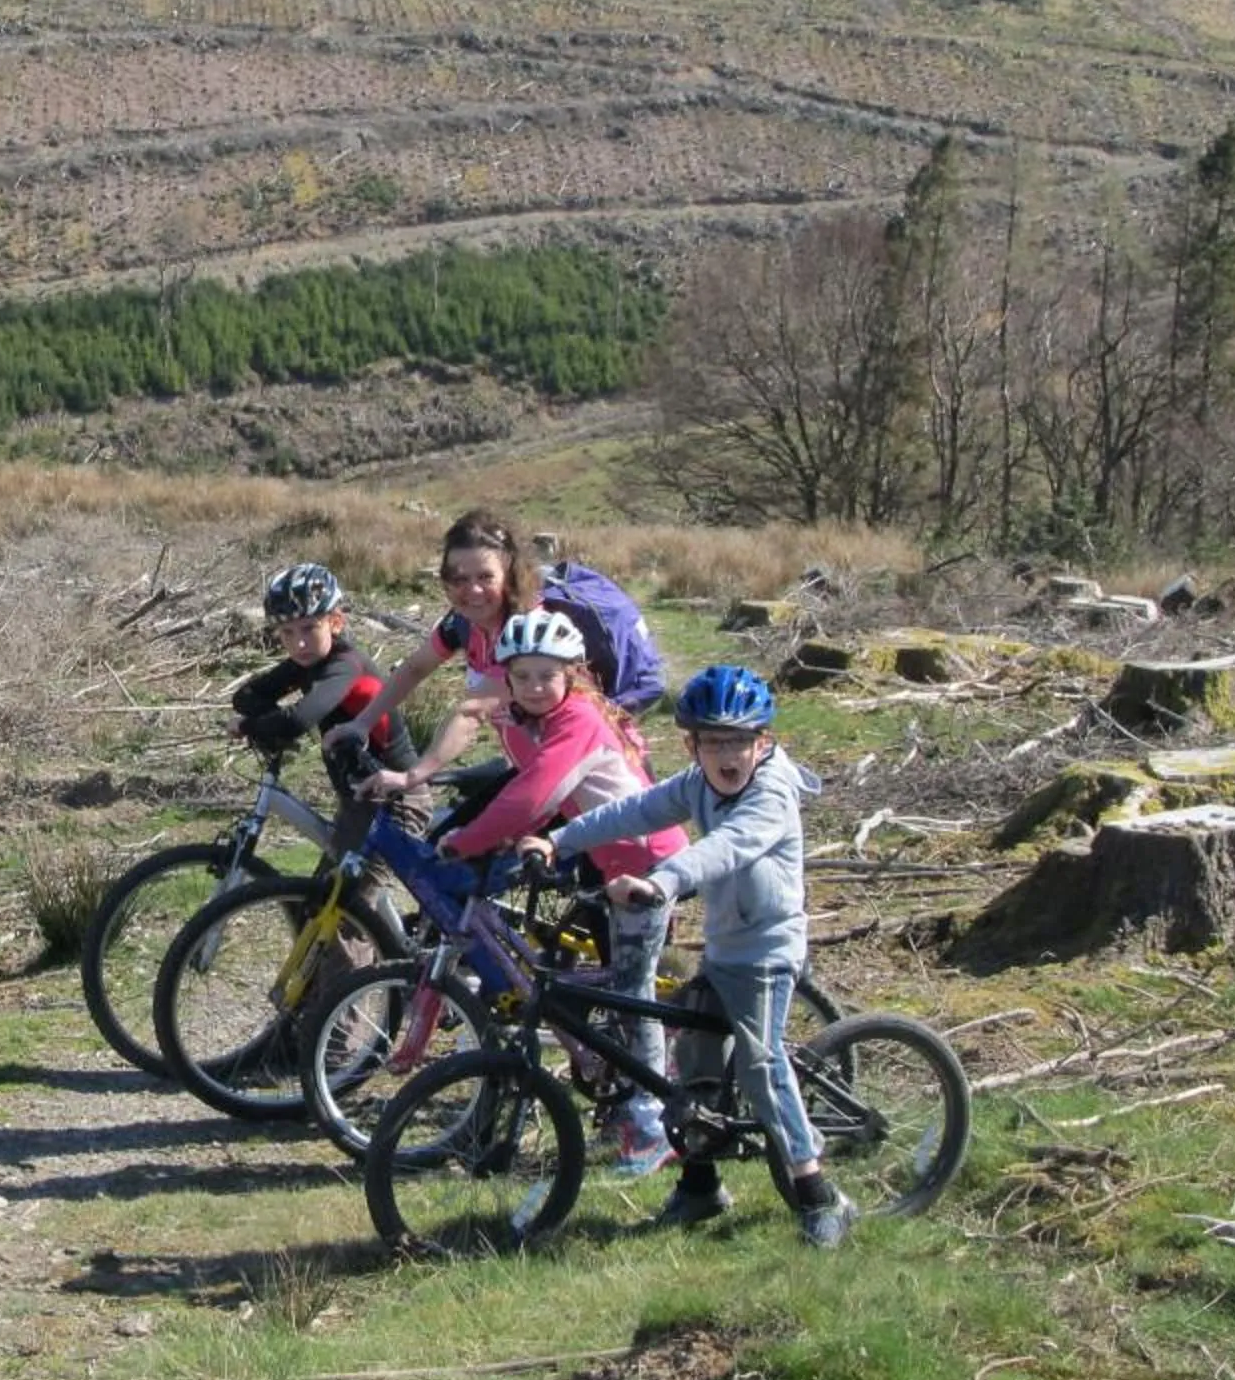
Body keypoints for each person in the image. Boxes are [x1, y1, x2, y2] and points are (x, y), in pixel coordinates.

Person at [523, 665, 857, 1247]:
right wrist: (559, 840)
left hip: (769, 951)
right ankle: (701, 1186)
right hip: (725, 949)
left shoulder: (771, 795)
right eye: (713, 742)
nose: (727, 755)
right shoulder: (698, 783)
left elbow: (724, 849)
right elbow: (637, 809)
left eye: (738, 742)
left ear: (763, 743)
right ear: (692, 746)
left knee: (759, 1065)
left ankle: (818, 1193)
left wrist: (662, 881)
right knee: (693, 1063)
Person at [362, 608, 687, 1175]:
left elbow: (535, 793)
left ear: (572, 674)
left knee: (632, 990)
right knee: (599, 979)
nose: (536, 687)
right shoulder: (526, 716)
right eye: (523, 676)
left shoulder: (578, 718)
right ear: (507, 678)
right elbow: (517, 769)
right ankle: (623, 1087)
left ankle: (652, 1122)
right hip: (604, 857)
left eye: (548, 675)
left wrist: (467, 840)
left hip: (648, 861)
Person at [327, 508, 542, 770]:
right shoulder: (462, 623)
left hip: (569, 770)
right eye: (460, 579)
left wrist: (415, 775)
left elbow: (472, 713)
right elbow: (414, 668)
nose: (474, 590)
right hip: (530, 764)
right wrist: (362, 723)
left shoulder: (529, 631)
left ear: (509, 577)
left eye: (486, 577)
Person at [228, 562, 415, 840]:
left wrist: (249, 726)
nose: (299, 643)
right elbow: (245, 697)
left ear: (336, 622)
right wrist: (271, 724)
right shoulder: (307, 661)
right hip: (358, 794)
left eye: (309, 629)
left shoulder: (345, 664)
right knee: (334, 867)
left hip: (395, 796)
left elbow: (298, 720)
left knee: (352, 869)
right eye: (287, 633)